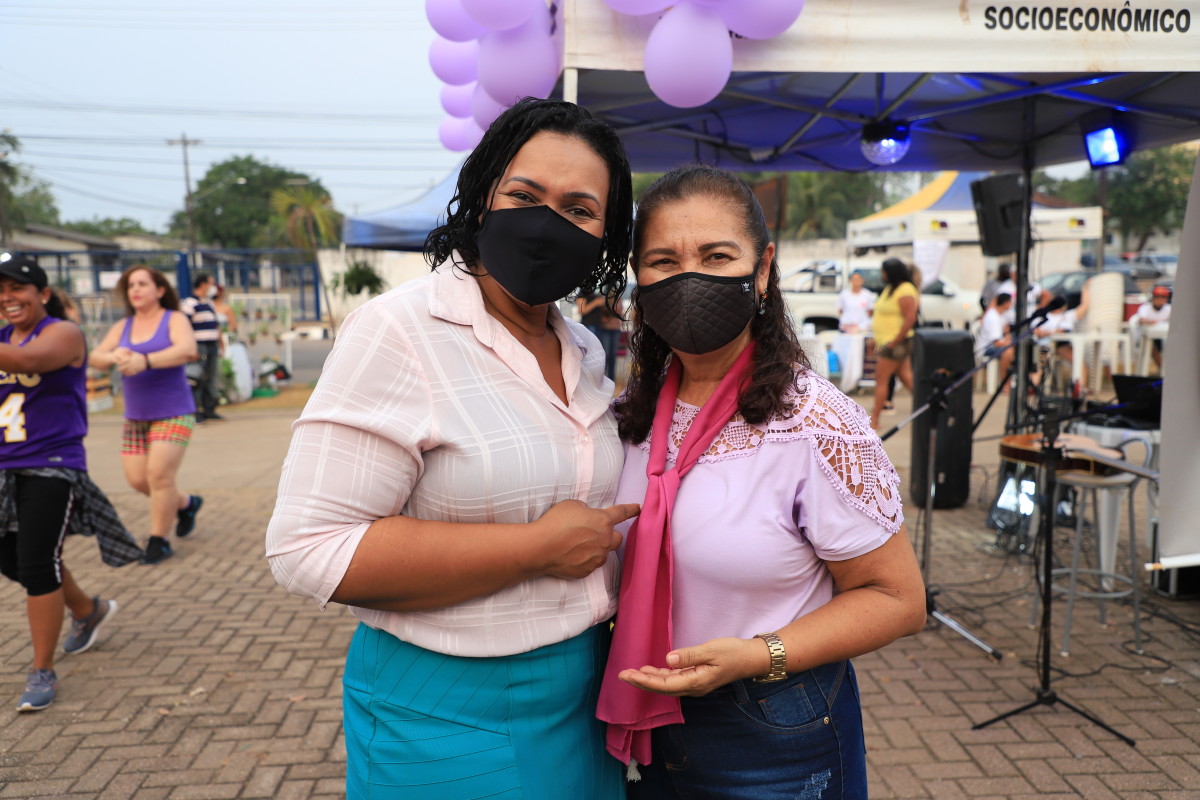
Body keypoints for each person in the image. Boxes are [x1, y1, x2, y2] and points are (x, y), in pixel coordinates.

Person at [266, 98, 639, 800]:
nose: (547, 223)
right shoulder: (398, 330)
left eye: (579, 209)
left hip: (586, 698)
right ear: (481, 195)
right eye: (524, 196)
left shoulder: (583, 348)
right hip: (444, 708)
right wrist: (532, 549)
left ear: (606, 236)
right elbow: (308, 548)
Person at [599, 166, 925, 797]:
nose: (689, 277)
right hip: (643, 717)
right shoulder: (630, 414)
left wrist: (758, 654)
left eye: (717, 256)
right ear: (639, 277)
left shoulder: (816, 423)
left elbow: (897, 598)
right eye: (664, 261)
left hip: (771, 724)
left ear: (764, 268)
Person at [0, 255, 142, 712]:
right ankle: (86, 610)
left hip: (52, 463)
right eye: (0, 291)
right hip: (4, 464)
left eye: (16, 288)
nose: (7, 297)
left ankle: (41, 670)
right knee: (12, 559)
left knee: (38, 563)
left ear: (42, 293)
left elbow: (29, 360)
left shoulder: (64, 333)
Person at [90, 266, 204, 565]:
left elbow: (188, 350)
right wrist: (113, 356)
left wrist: (147, 361)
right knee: (138, 480)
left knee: (159, 476)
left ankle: (158, 541)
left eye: (142, 284)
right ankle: (186, 504)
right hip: (136, 417)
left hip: (173, 412)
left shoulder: (174, 319)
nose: (136, 290)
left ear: (160, 290)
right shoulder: (123, 326)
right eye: (131, 286)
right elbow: (95, 357)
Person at [869, 257, 919, 429]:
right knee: (907, 378)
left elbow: (910, 318)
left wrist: (895, 341)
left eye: (884, 272)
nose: (882, 275)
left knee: (881, 379)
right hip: (886, 341)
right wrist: (875, 339)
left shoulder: (906, 290)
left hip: (895, 342)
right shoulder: (890, 289)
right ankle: (930, 409)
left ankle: (875, 419)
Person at [180, 272, 223, 421]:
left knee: (210, 378)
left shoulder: (209, 303)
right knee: (196, 378)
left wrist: (220, 343)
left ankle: (209, 409)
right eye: (211, 283)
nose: (213, 287)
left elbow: (216, 325)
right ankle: (194, 411)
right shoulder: (189, 303)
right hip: (199, 346)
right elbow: (183, 327)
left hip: (212, 345)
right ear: (203, 285)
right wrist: (190, 348)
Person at [578, 290, 624, 380]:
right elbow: (582, 310)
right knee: (597, 356)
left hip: (600, 327)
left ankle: (607, 380)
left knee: (606, 356)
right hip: (592, 327)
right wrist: (596, 303)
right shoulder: (584, 292)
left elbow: (619, 310)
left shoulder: (597, 293)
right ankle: (598, 380)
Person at [976, 292, 1015, 384]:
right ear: (1006, 303)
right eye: (1010, 302)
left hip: (995, 345)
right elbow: (997, 343)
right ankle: (1005, 383)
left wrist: (1008, 337)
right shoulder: (993, 317)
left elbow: (1006, 333)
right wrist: (1009, 342)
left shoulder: (1001, 315)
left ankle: (1013, 382)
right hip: (986, 348)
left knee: (1017, 349)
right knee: (1008, 352)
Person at [1129, 285, 1171, 368]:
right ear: (1153, 298)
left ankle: (1167, 369)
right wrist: (1150, 322)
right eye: (1157, 297)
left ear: (1166, 299)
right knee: (1151, 344)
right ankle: (1163, 368)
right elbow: (1142, 319)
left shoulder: (1168, 309)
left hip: (1163, 337)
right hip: (1144, 338)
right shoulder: (1145, 308)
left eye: (1162, 297)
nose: (1159, 300)